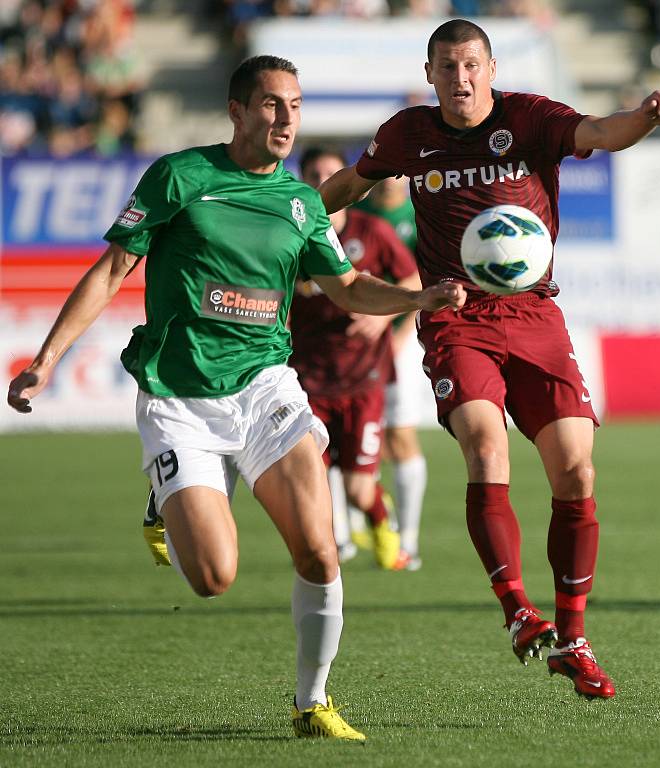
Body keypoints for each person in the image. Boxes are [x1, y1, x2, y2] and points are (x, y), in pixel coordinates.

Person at [7, 54, 466, 739]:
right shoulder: (180, 177)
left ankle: (313, 702)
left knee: (319, 551)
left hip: (265, 389)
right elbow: (112, 270)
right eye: (273, 105)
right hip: (180, 398)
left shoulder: (303, 204)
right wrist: (47, 358)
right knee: (214, 577)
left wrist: (416, 297)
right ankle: (167, 492)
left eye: (297, 106)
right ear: (238, 111)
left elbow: (345, 288)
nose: (286, 119)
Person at [319, 19, 660, 700]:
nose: (460, 79)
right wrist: (289, 216)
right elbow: (346, 187)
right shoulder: (408, 134)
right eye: (447, 67)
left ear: (490, 67)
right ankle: (518, 608)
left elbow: (603, 134)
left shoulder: (530, 118)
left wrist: (647, 115)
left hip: (536, 315)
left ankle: (573, 638)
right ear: (429, 74)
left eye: (471, 66)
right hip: (457, 316)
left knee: (576, 470)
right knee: (487, 450)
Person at [290, 146, 419, 570]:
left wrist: (385, 319)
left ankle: (383, 524)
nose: (323, 181)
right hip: (308, 381)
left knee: (360, 490)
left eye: (332, 172)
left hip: (363, 379)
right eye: (315, 174)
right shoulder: (290, 236)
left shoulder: (372, 230)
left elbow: (411, 278)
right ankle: (332, 549)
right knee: (313, 480)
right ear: (303, 180)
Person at [355, 176, 429, 571]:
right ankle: (347, 531)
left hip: (397, 340)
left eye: (399, 170)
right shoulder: (356, 214)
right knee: (346, 435)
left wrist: (401, 331)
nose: (391, 177)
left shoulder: (418, 217)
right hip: (351, 344)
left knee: (400, 435)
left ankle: (409, 538)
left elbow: (423, 282)